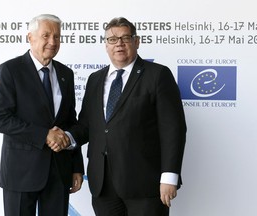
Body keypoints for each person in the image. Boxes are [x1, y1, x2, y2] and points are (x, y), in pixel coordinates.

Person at [68, 17, 186, 216]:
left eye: (125, 38)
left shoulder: (157, 75)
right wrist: (66, 138)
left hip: (145, 184)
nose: (119, 44)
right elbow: (87, 126)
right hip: (103, 185)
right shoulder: (95, 79)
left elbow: (173, 129)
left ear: (136, 41)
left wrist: (169, 177)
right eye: (112, 40)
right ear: (106, 45)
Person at [0, 14, 84, 216]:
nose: (52, 42)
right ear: (30, 37)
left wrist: (77, 166)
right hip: (21, 172)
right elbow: (1, 119)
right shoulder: (10, 70)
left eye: (57, 37)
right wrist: (44, 135)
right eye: (46, 35)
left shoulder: (65, 74)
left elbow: (70, 122)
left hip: (59, 172)